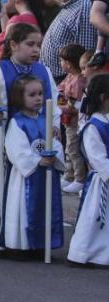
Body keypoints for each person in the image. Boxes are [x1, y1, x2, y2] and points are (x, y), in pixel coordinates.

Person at [0, 22, 58, 250]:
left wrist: (53, 124)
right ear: (13, 44)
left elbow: (52, 104)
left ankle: (29, 238)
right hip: (2, 137)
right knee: (1, 186)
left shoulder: (43, 71)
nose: (36, 49)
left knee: (27, 190)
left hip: (33, 141)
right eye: (30, 44)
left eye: (38, 44)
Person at [1, 74, 65, 257]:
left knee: (47, 207)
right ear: (20, 97)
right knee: (23, 209)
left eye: (40, 94)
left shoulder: (46, 120)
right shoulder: (17, 122)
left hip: (47, 174)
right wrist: (37, 160)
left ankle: (41, 244)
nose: (38, 98)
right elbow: (16, 150)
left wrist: (54, 156)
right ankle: (22, 245)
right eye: (32, 95)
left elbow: (55, 143)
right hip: (26, 178)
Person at [67, 74, 109, 267]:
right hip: (101, 182)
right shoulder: (94, 127)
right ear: (103, 98)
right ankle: (84, 252)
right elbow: (97, 157)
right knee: (94, 219)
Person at [40, 0, 97, 80]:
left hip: (66, 80)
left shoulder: (83, 9)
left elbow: (85, 51)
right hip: (56, 77)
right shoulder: (72, 5)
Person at [57, 44, 89, 194]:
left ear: (68, 63)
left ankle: (79, 179)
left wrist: (60, 104)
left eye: (62, 61)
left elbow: (74, 107)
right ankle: (69, 175)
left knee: (74, 150)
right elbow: (60, 90)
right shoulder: (70, 77)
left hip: (75, 123)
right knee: (69, 149)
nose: (61, 64)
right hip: (67, 122)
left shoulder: (78, 81)